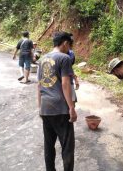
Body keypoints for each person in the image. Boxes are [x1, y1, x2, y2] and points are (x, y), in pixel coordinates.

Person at [37, 32, 77, 171]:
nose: (69, 49)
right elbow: (66, 84)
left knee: (49, 145)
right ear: (65, 43)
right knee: (67, 146)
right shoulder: (64, 58)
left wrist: (39, 107)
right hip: (60, 108)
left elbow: (39, 85)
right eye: (69, 45)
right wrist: (71, 108)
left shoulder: (42, 59)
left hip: (45, 107)